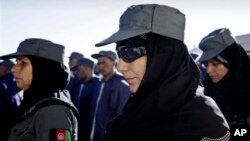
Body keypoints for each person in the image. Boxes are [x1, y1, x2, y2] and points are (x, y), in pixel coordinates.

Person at [95, 4, 230, 141]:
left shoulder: (205, 123)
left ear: (164, 55)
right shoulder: (135, 108)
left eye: (129, 52)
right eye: (119, 54)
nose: (121, 66)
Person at [0, 38, 79, 141]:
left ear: (41, 68)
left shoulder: (53, 111)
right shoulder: (34, 102)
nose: (14, 69)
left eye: (23, 63)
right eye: (16, 62)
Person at [198, 28, 250, 125]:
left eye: (215, 63)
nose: (209, 70)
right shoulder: (205, 92)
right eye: (206, 64)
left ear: (233, 62)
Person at [90, 50, 130, 141]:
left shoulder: (120, 85)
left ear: (114, 63)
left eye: (104, 63)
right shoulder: (99, 84)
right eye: (99, 63)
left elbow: (122, 120)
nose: (100, 66)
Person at [71, 58, 101, 141]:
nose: (76, 73)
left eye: (78, 70)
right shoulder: (79, 84)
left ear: (87, 68)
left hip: (90, 133)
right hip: (78, 130)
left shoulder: (99, 86)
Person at [0, 60, 22, 138]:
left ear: (8, 70)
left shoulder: (1, 85)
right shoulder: (19, 89)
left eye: (0, 67)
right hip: (14, 132)